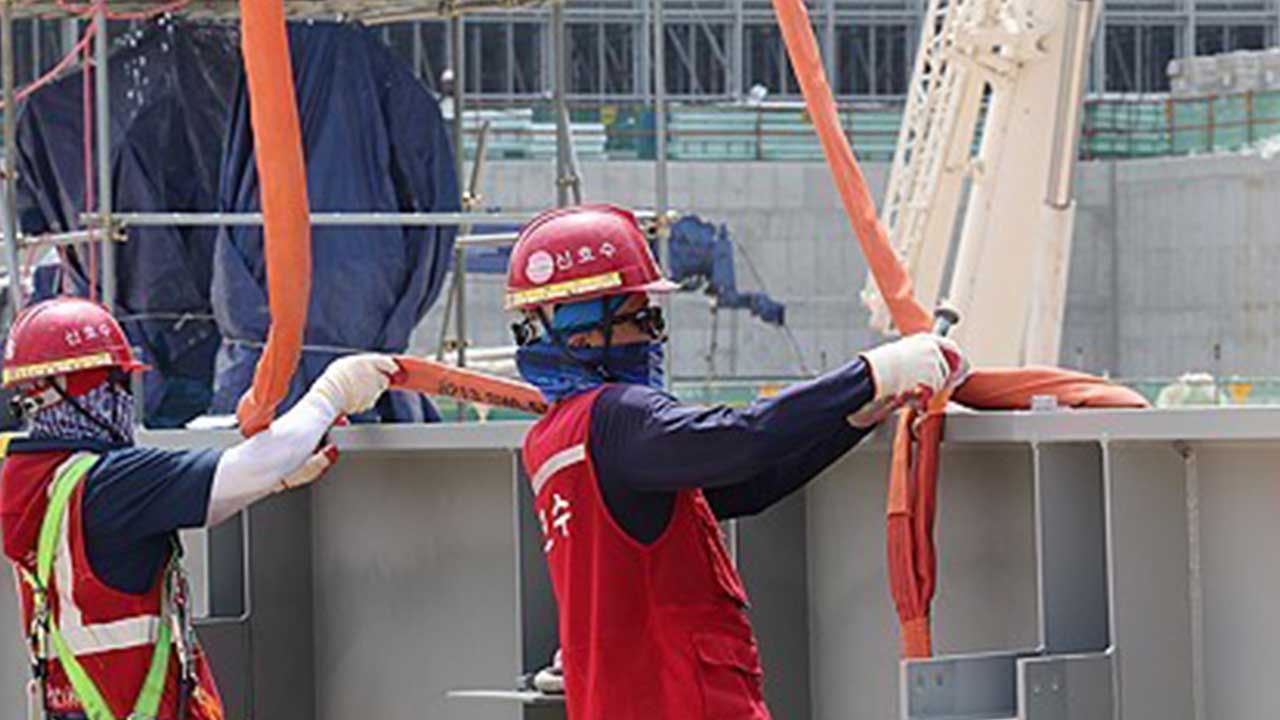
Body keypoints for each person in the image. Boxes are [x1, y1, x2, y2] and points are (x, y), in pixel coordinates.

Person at [507, 205, 965, 719]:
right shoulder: (619, 417)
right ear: (584, 334)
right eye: (642, 318)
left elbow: (744, 486)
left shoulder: (557, 440)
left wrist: (851, 419)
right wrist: (869, 374)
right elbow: (741, 439)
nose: (654, 334)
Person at [0, 297, 397, 720]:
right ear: (75, 390)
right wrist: (330, 394)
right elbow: (247, 467)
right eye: (113, 383)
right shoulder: (111, 484)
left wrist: (273, 481)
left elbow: (125, 531)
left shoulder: (26, 481)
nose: (121, 399)